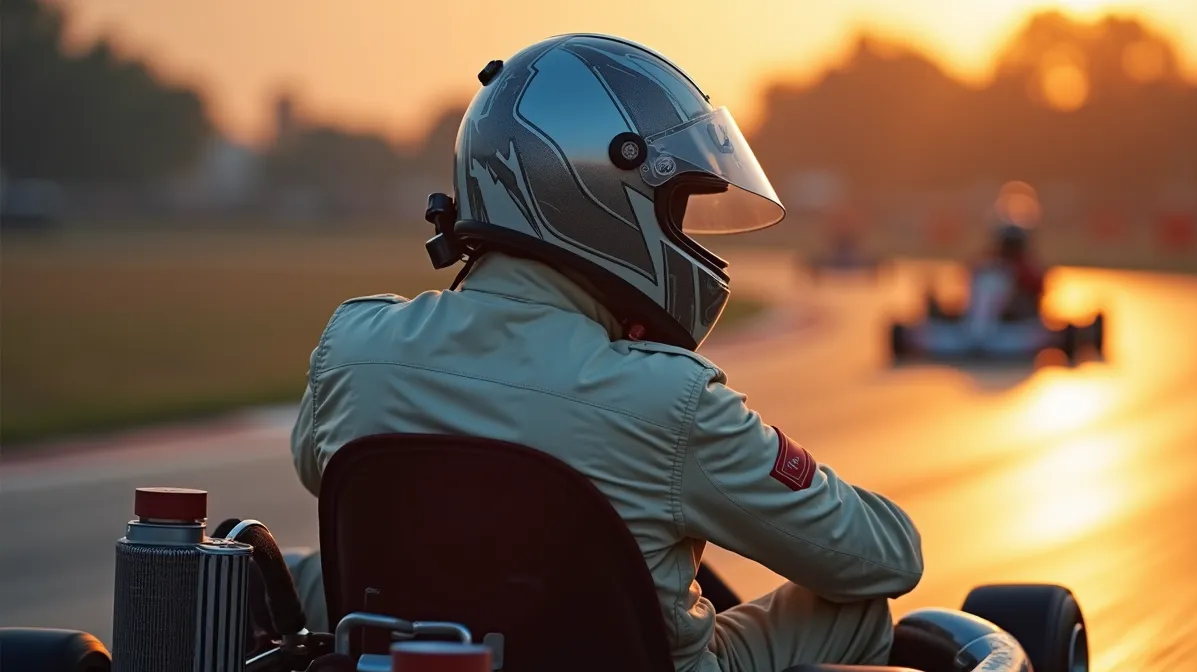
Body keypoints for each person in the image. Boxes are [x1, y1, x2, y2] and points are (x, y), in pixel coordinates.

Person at [285, 34, 923, 672]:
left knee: (300, 575)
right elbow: (885, 559)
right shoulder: (671, 401)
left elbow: (323, 473)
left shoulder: (354, 345)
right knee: (857, 608)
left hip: (401, 656)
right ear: (594, 194)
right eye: (676, 208)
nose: (682, 235)